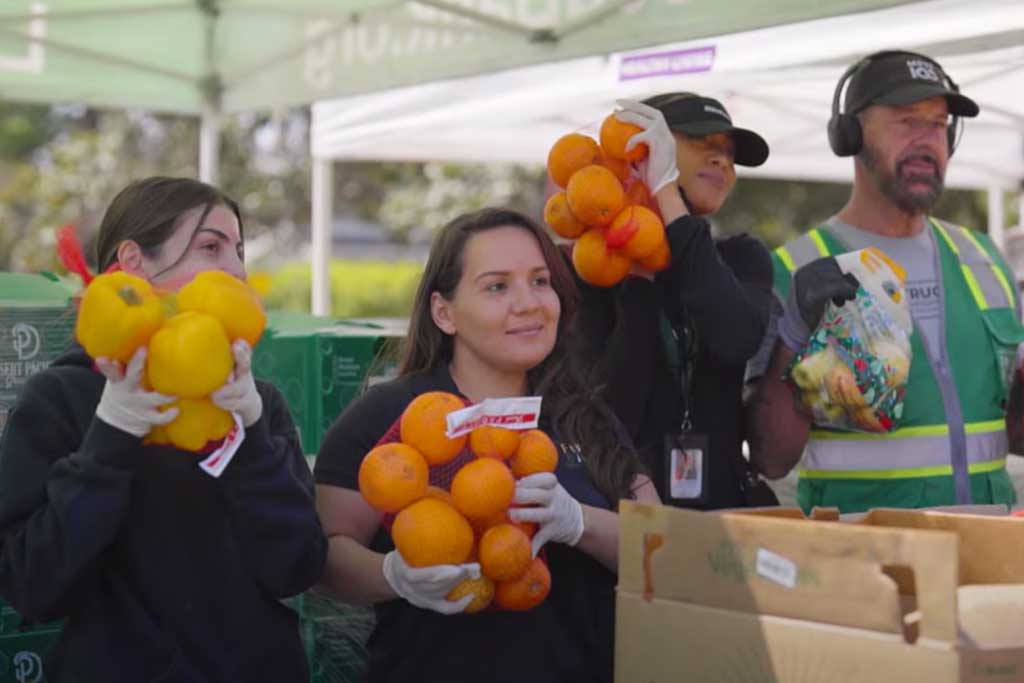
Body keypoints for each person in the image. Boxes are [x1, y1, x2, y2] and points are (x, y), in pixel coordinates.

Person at [0, 177, 327, 681]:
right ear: (133, 263)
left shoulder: (258, 401)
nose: (238, 270)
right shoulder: (61, 398)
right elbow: (35, 587)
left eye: (239, 250)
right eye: (212, 247)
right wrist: (109, 437)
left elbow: (297, 567)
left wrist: (253, 435)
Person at [314, 207, 658, 683]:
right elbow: (326, 555)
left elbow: (662, 550)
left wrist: (579, 523)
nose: (529, 303)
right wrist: (392, 575)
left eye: (540, 281)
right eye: (498, 286)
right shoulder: (392, 414)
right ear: (444, 312)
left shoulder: (586, 416)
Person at [748, 50, 1024, 513]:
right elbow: (770, 458)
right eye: (906, 120)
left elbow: (1013, 434)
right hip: (862, 561)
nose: (927, 140)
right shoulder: (797, 268)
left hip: (985, 555)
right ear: (851, 134)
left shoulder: (984, 259)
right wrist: (793, 339)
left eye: (938, 125)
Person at [573, 92, 777, 509]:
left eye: (729, 155)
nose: (723, 162)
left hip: (723, 512)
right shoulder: (594, 268)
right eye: (705, 145)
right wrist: (640, 280)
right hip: (625, 521)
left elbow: (736, 337)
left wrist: (665, 195)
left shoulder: (740, 258)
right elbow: (613, 413)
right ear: (643, 150)